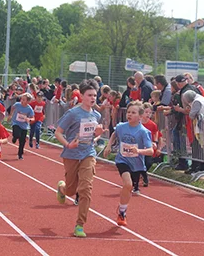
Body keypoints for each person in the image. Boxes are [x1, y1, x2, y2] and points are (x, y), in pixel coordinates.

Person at [55, 79, 105, 238]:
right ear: (81, 96)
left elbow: (93, 137)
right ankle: (62, 188)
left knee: (85, 189)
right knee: (71, 190)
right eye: (89, 95)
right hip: (71, 154)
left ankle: (79, 225)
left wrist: (97, 136)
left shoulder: (96, 115)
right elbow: (58, 132)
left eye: (95, 95)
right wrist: (68, 144)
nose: (93, 98)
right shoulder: (73, 113)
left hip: (88, 153)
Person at [103, 100, 153, 226]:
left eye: (133, 113)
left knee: (129, 188)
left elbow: (151, 150)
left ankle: (122, 209)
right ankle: (122, 214)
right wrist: (109, 145)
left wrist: (139, 150)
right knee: (127, 183)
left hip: (136, 164)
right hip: (122, 160)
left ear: (140, 116)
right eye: (128, 112)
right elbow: (114, 134)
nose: (129, 114)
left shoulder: (143, 132)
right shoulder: (121, 126)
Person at [7, 93, 34, 160]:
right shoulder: (17, 104)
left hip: (24, 126)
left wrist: (29, 119)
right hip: (16, 123)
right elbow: (12, 108)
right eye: (21, 99)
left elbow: (33, 118)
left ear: (28, 101)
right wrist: (10, 115)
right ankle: (14, 137)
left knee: (22, 141)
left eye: (24, 100)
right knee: (17, 134)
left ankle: (20, 154)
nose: (21, 101)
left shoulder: (29, 109)